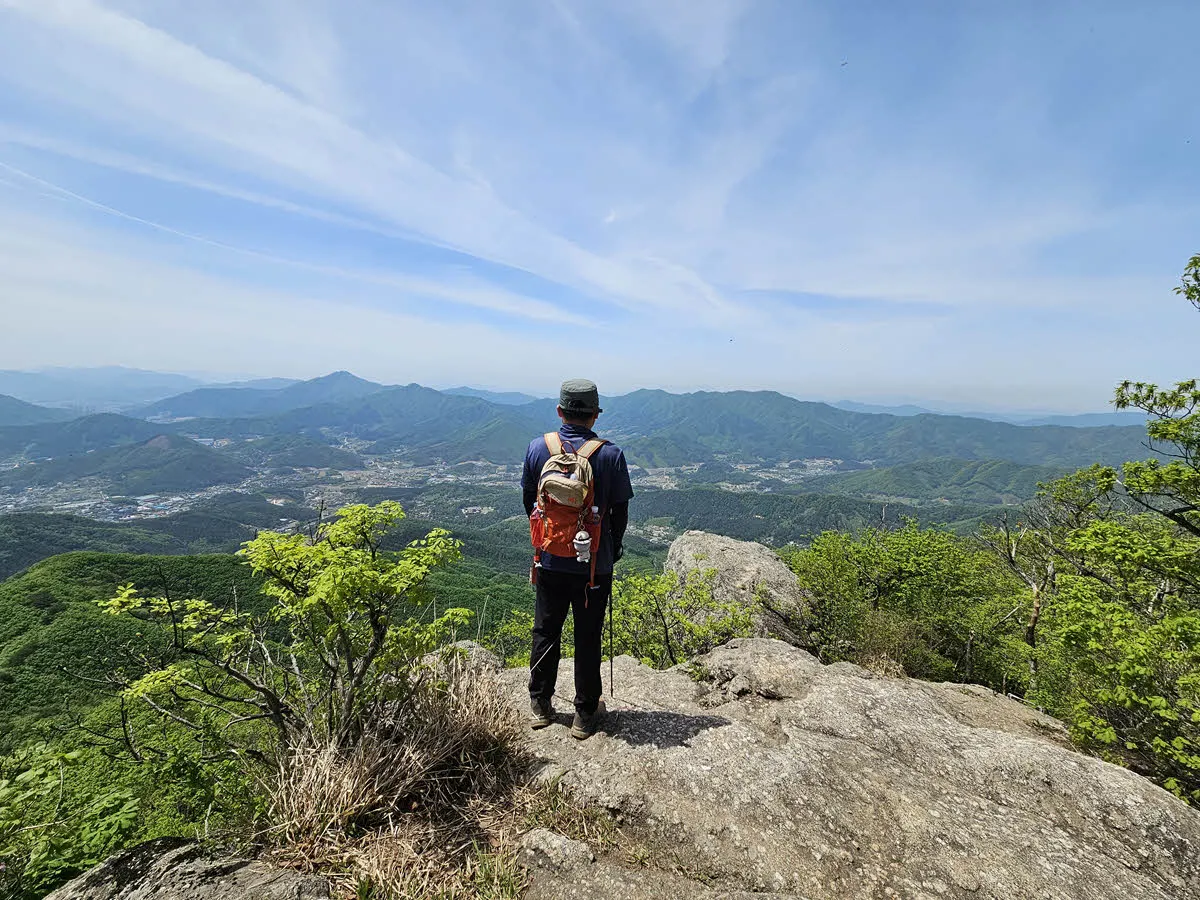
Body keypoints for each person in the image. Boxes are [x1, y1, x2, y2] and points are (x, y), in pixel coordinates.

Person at [522, 378, 633, 739]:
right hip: (593, 566)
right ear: (595, 415)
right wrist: (612, 548)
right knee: (587, 635)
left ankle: (540, 704)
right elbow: (620, 513)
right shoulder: (610, 455)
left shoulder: (538, 449)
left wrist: (551, 538)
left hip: (549, 558)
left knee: (546, 630)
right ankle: (585, 714)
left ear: (560, 411)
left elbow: (529, 503)